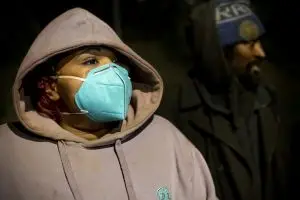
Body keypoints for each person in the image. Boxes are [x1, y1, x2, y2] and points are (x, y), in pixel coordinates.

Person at [0, 7, 218, 200]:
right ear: (50, 87)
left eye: (115, 62)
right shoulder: (10, 153)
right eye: (91, 61)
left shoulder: (166, 140)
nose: (113, 72)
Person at [176, 0, 290, 200]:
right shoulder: (180, 116)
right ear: (220, 53)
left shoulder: (266, 101)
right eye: (250, 44)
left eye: (259, 42)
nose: (261, 53)